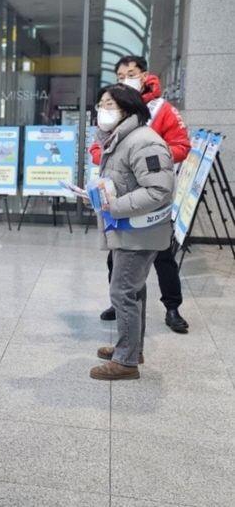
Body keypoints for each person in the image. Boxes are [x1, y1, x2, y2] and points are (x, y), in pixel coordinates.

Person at [90, 56, 191, 333]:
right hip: (121, 200)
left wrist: (147, 158)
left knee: (162, 255)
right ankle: (120, 306)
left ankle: (172, 307)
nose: (125, 79)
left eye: (130, 74)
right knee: (118, 260)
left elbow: (181, 145)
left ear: (144, 75)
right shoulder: (113, 107)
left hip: (149, 197)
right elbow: (98, 148)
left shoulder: (160, 111)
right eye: (120, 75)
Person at [89, 84, 175, 381]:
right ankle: (131, 348)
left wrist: (115, 205)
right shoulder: (120, 140)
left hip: (139, 229)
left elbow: (159, 190)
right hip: (130, 226)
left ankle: (125, 362)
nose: (103, 110)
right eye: (100, 104)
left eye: (109, 104)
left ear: (128, 108)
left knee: (122, 290)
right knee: (134, 289)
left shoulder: (143, 142)